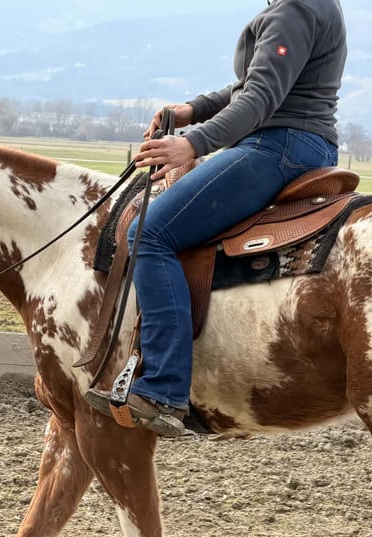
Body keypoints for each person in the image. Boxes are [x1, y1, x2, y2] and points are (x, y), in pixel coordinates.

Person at [85, 0, 347, 436]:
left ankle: (163, 388)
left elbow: (261, 97)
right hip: (300, 140)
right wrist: (194, 109)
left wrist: (192, 144)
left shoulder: (293, 9)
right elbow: (257, 83)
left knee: (149, 233)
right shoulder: (308, 6)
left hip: (277, 145)